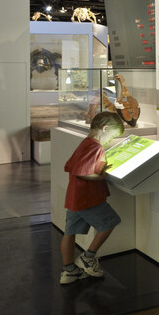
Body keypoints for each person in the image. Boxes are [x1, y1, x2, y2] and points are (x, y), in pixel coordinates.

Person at [59, 111, 124, 285]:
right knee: (111, 221)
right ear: (105, 128)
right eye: (112, 136)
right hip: (87, 198)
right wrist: (101, 176)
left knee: (69, 232)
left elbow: (70, 166)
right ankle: (88, 257)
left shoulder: (85, 143)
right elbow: (81, 172)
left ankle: (69, 271)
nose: (110, 140)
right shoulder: (96, 147)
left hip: (75, 197)